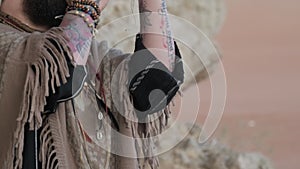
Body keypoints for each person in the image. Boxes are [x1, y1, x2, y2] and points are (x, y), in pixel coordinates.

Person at [0, 0, 183, 168]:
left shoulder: (92, 57)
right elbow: (59, 72)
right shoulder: (6, 41)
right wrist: (86, 7)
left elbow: (155, 83)